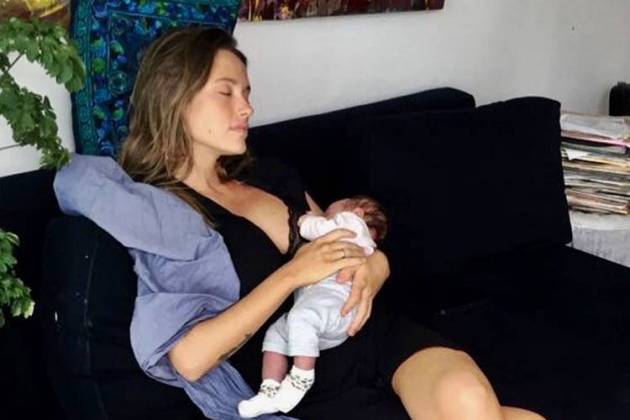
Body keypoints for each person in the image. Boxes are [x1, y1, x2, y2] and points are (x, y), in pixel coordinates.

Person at [59, 26, 545, 419]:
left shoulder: (271, 175)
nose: (246, 108)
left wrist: (376, 270)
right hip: (302, 380)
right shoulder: (162, 214)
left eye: (246, 92)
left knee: (468, 399)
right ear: (172, 98)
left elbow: (347, 244)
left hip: (371, 336)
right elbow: (188, 359)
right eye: (225, 92)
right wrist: (293, 274)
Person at [238, 196, 387, 417]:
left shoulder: (352, 224)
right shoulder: (365, 245)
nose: (325, 213)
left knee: (300, 318)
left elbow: (319, 229)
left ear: (358, 211)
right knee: (277, 334)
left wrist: (306, 221)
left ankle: (301, 377)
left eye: (331, 210)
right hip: (331, 322)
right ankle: (269, 390)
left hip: (333, 303)